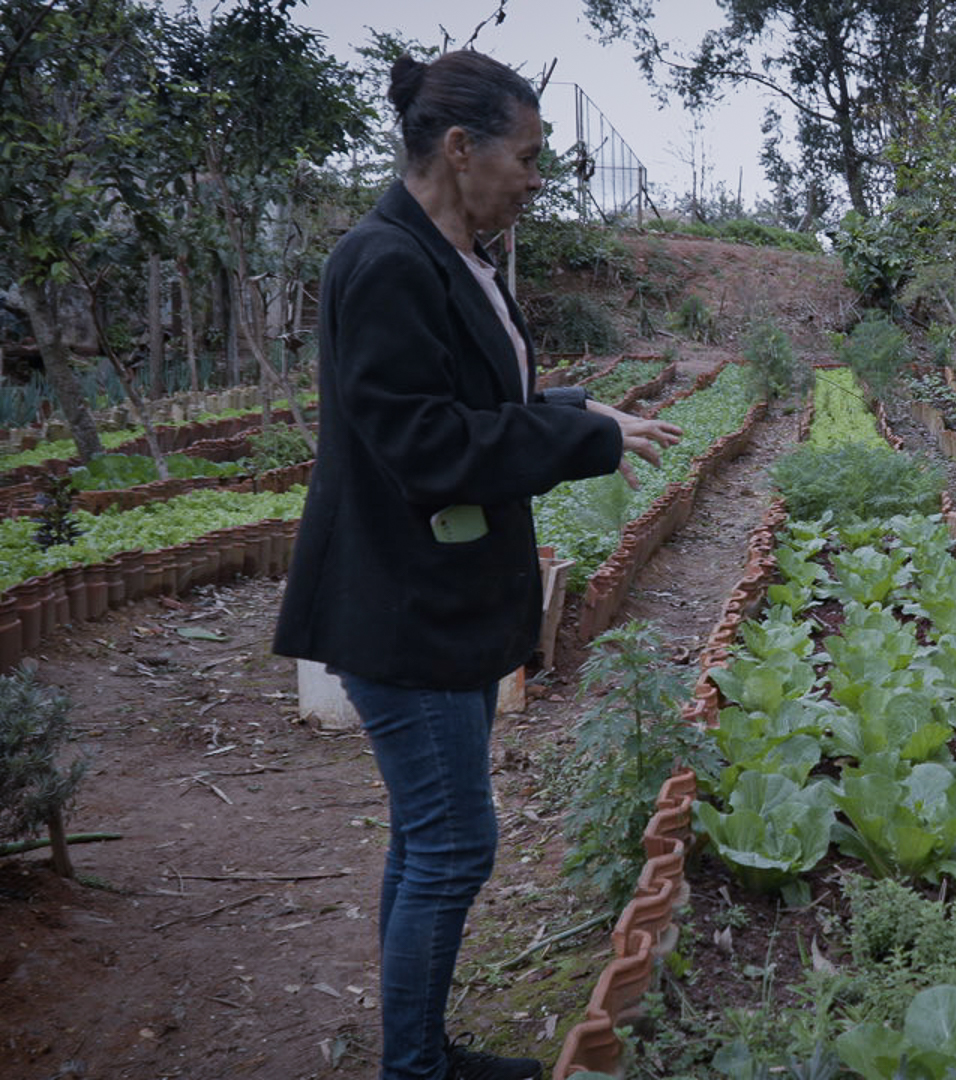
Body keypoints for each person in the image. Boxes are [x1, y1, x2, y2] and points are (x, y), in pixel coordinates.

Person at [273, 50, 682, 1080]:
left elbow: (473, 408)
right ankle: (414, 1067)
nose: (536, 178)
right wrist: (578, 440)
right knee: (453, 845)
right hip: (397, 608)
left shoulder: (455, 256)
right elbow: (425, 447)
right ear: (461, 149)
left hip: (434, 599)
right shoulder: (384, 264)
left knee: (431, 841)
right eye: (528, 156)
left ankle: (421, 1052)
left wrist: (576, 413)